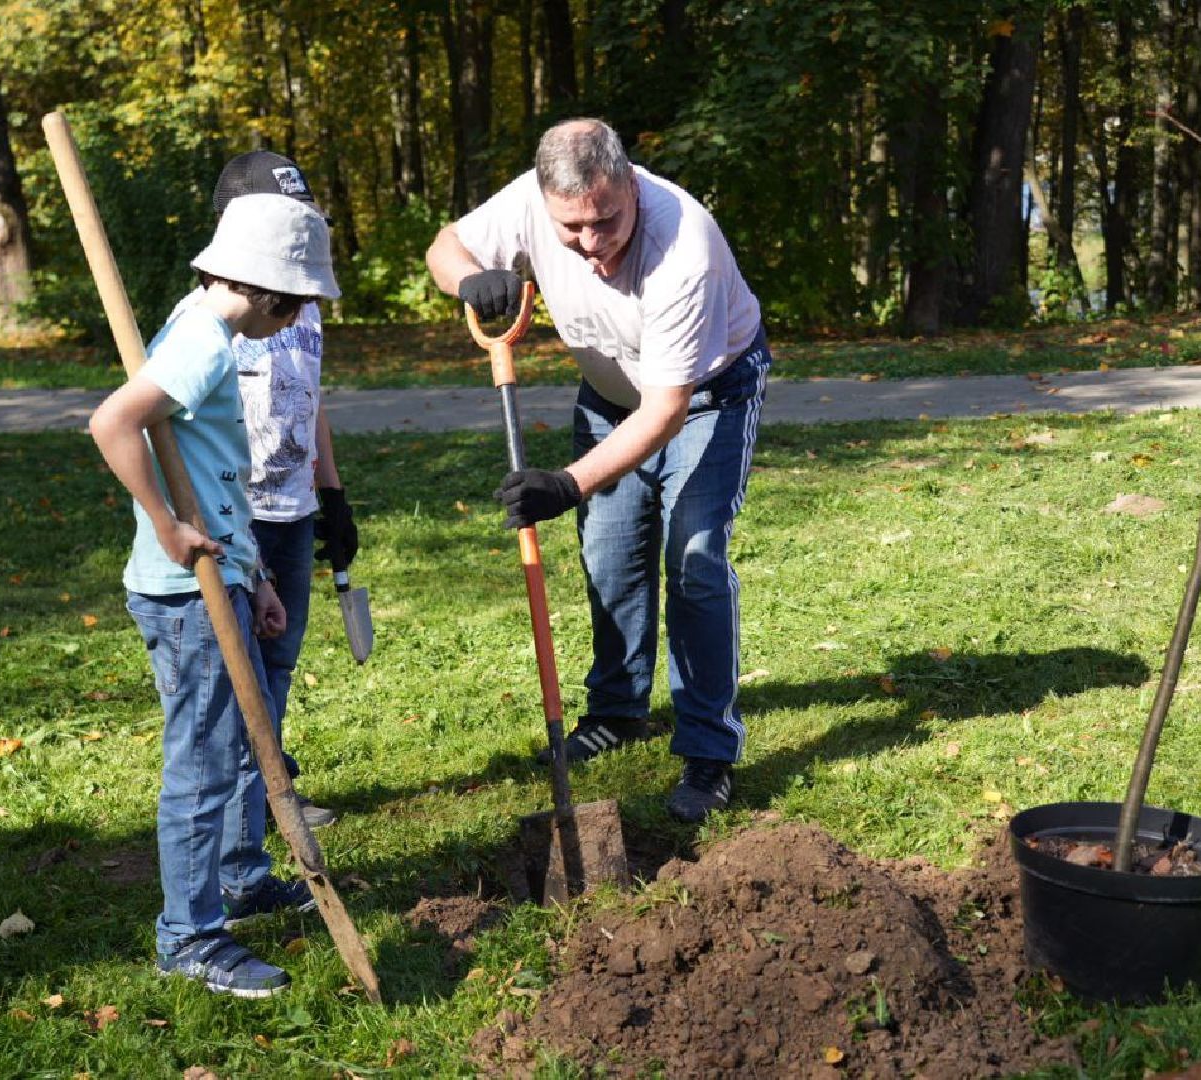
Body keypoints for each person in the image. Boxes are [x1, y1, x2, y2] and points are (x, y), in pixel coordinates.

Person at [425, 117, 770, 824]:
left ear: (631, 184)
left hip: (708, 395)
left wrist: (567, 483)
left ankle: (708, 751)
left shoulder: (685, 246)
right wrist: (471, 279)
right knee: (610, 557)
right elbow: (445, 245)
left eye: (605, 221)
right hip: (609, 398)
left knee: (695, 560)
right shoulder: (528, 200)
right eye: (571, 228)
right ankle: (617, 711)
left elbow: (665, 410)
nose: (590, 242)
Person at [89, 192, 340, 997]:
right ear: (270, 292)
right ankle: (189, 937)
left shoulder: (205, 328)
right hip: (184, 594)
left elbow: (216, 480)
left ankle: (238, 883)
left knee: (233, 748)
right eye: (297, 302)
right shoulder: (201, 341)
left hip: (222, 578)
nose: (297, 317)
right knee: (202, 767)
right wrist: (166, 525)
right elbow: (112, 423)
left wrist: (254, 577)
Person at [161, 150, 358, 830]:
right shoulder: (207, 319)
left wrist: (331, 494)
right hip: (232, 517)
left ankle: (271, 792)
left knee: (278, 657)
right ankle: (250, 801)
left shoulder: (301, 305)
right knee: (238, 666)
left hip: (293, 510)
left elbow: (310, 398)